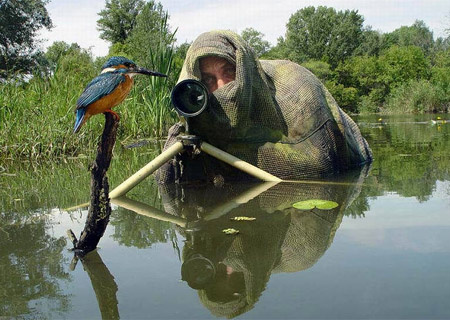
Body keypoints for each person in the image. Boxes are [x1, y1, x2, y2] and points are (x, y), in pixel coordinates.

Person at [156, 30, 372, 184]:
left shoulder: (296, 97)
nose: (222, 88)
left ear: (244, 72)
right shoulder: (198, 116)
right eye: (209, 80)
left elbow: (320, 166)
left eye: (229, 73)